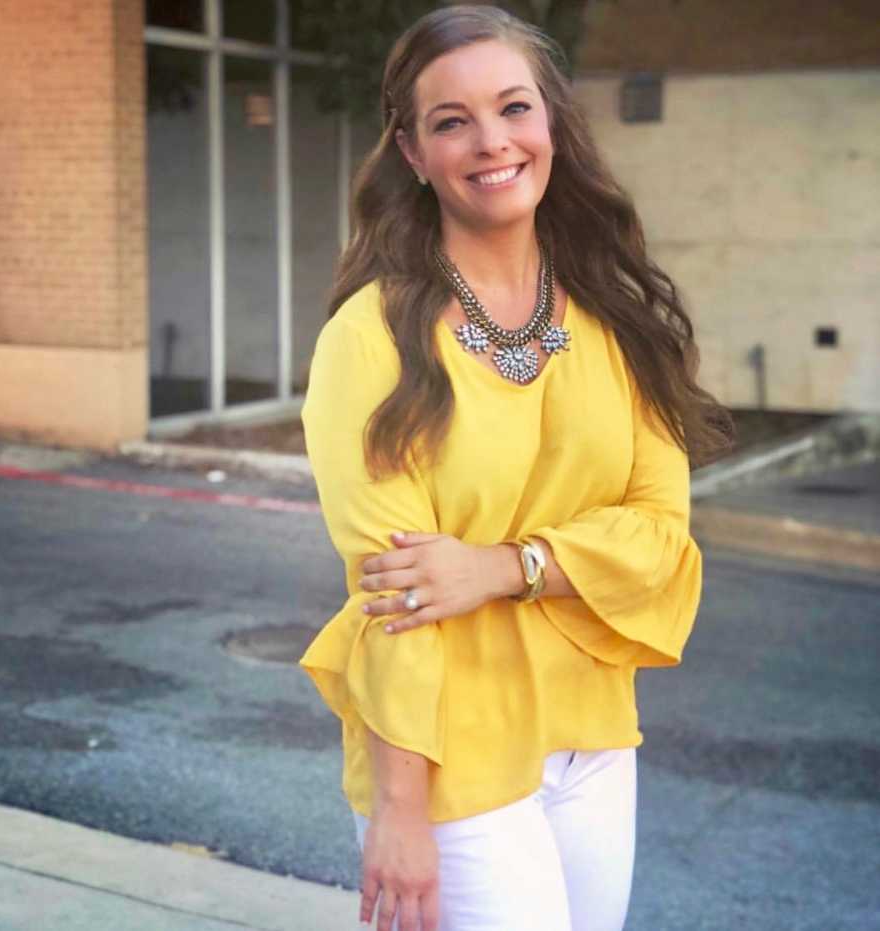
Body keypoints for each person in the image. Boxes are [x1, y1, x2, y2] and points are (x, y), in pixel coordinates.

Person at [298, 6, 734, 931]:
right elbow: (397, 596)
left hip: (595, 742)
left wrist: (500, 566)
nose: (491, 141)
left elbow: (660, 538)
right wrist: (401, 811)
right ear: (413, 154)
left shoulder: (619, 325)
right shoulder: (369, 341)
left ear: (551, 125)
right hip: (454, 761)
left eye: (513, 108)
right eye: (450, 121)